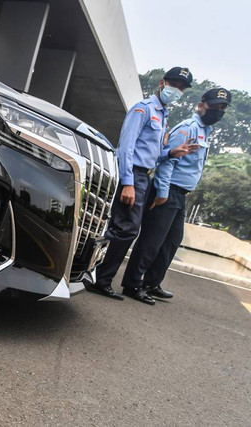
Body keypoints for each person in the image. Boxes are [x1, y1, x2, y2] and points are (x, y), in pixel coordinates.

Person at [85, 67, 198, 301]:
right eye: (174, 85)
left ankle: (98, 276)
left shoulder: (163, 115)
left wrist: (170, 153)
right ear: (161, 83)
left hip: (143, 176)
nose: (177, 91)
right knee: (125, 229)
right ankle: (98, 278)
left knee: (124, 229)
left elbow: (151, 154)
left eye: (181, 88)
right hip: (133, 174)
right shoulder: (143, 109)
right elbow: (126, 147)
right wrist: (128, 182)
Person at [121, 88, 232, 304]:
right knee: (151, 241)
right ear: (202, 105)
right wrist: (162, 192)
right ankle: (132, 284)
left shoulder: (205, 131)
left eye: (222, 109)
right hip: (167, 191)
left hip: (180, 195)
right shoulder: (187, 129)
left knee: (171, 241)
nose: (218, 112)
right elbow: (168, 161)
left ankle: (151, 283)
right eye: (215, 106)